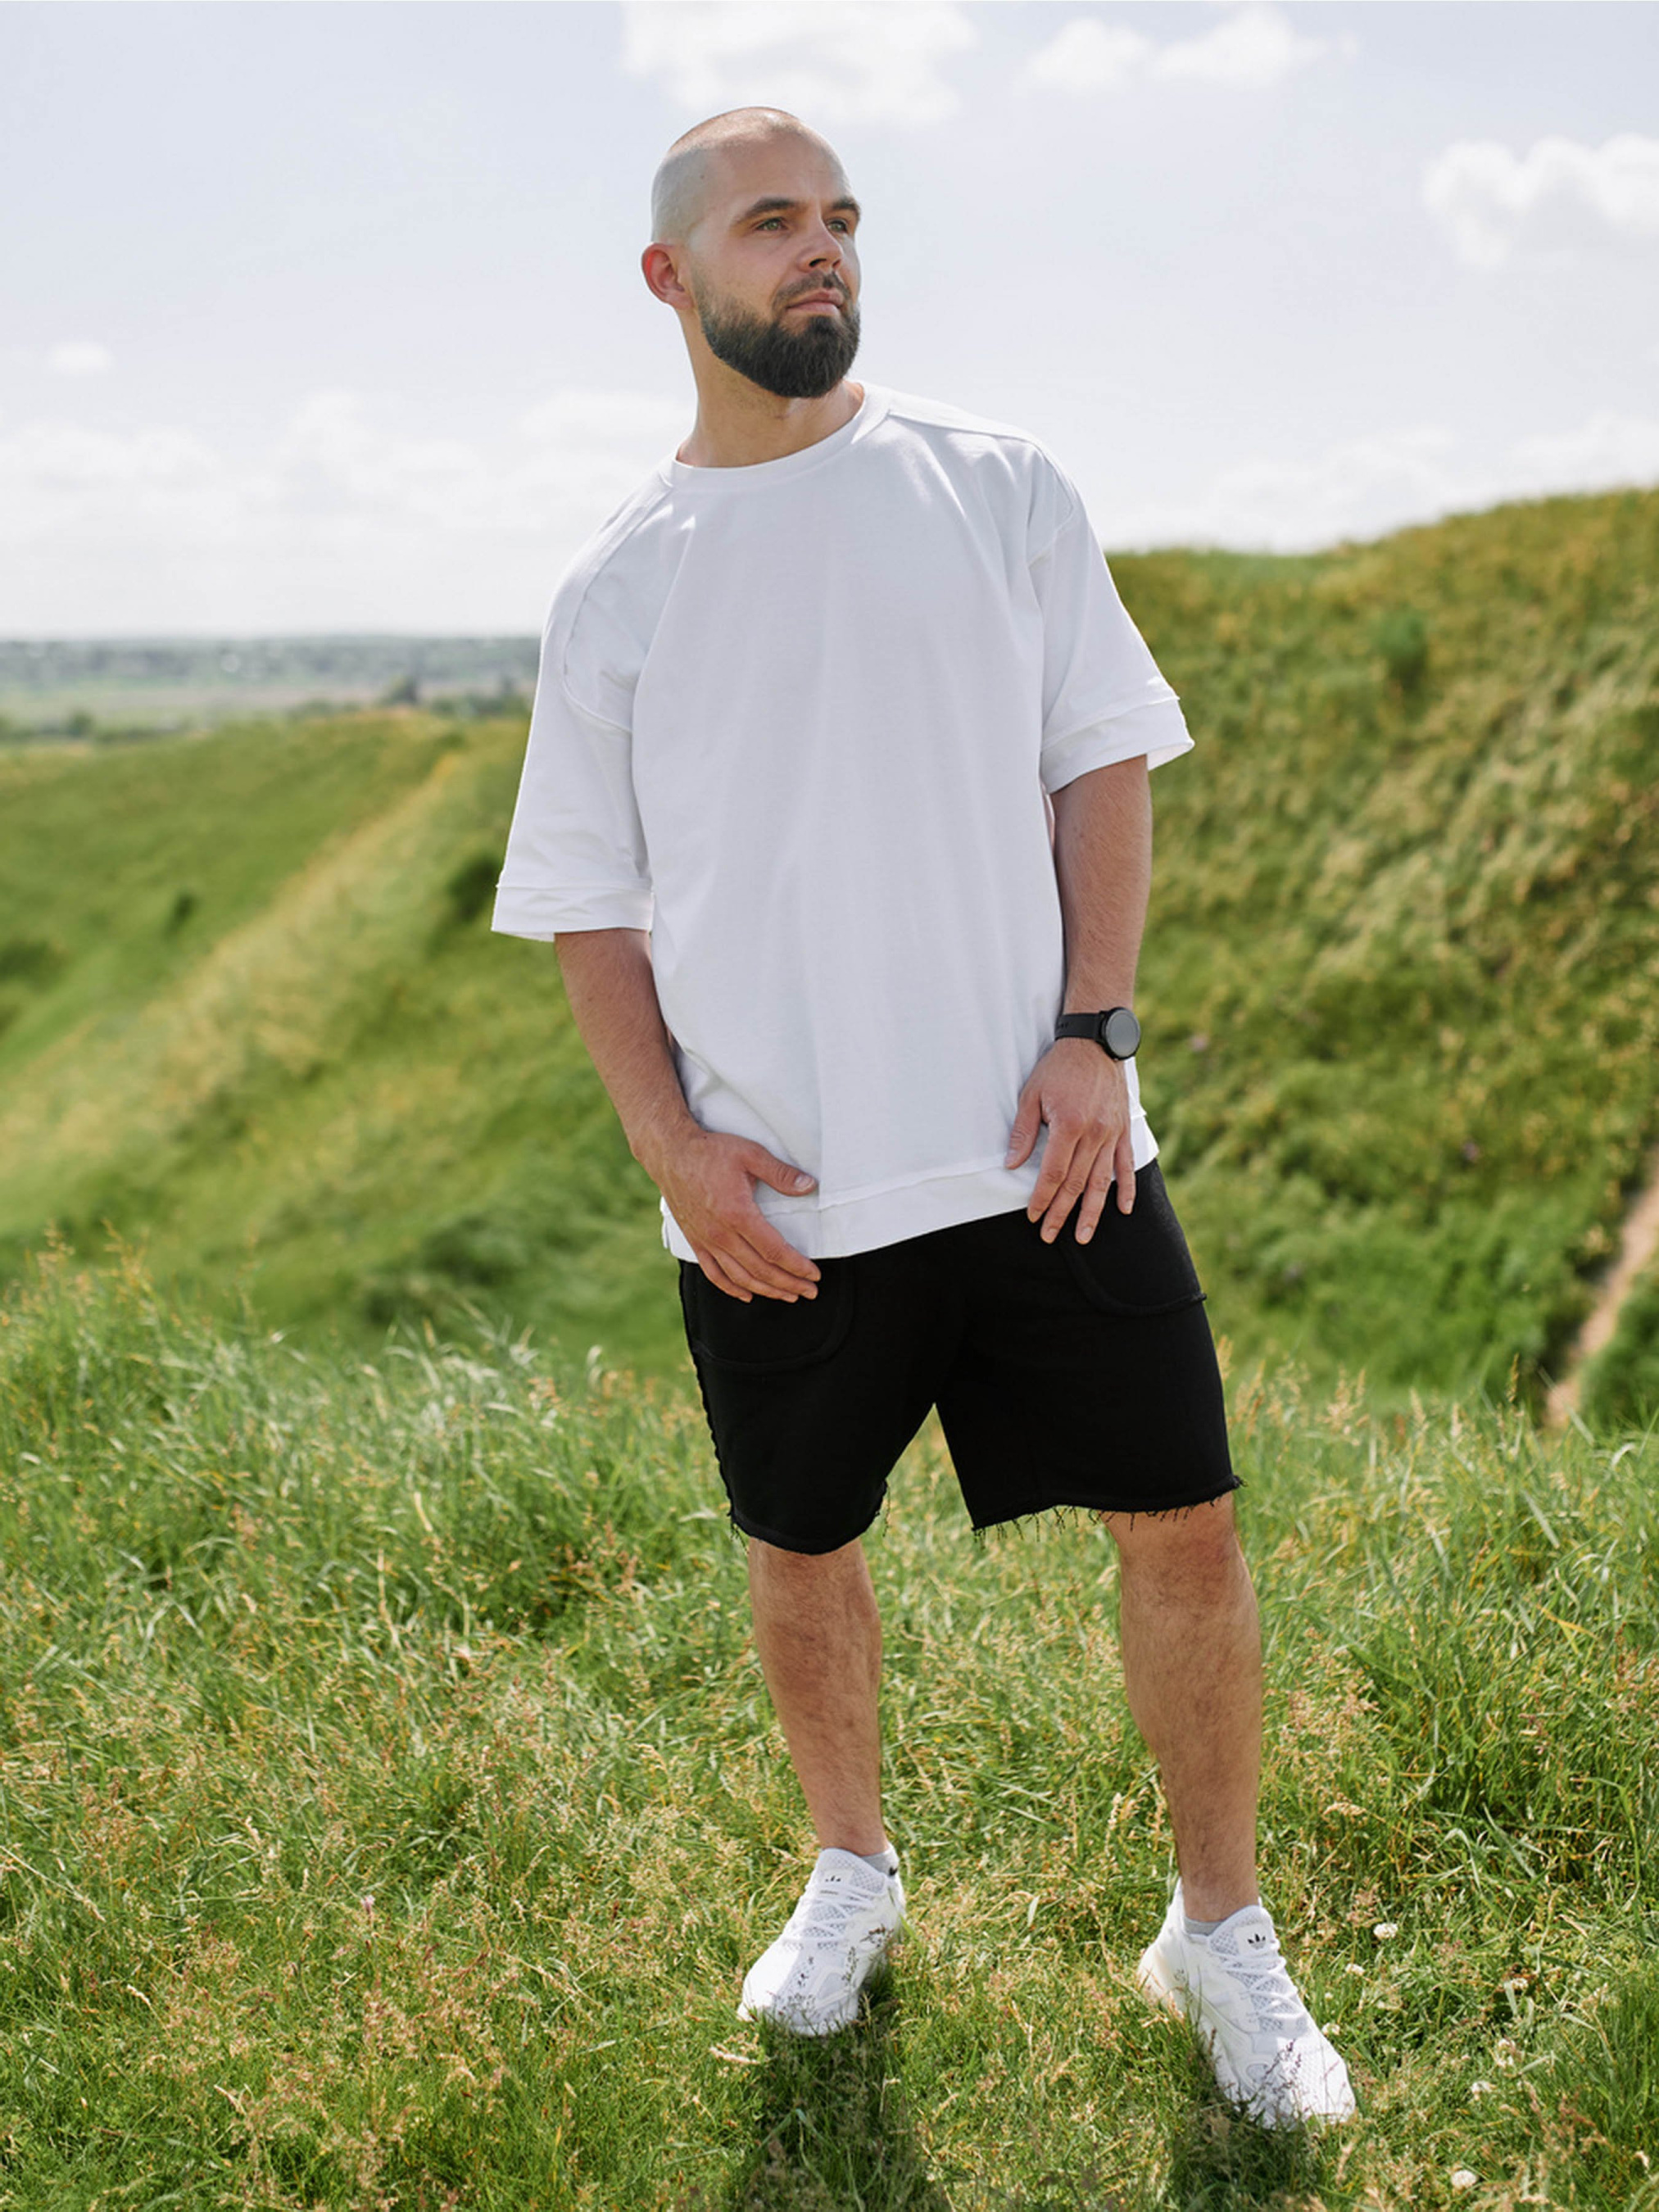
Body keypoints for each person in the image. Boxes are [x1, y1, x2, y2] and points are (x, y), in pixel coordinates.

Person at [492, 105, 1355, 2129]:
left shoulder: (994, 483)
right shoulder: (615, 588)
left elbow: (1099, 760)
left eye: (840, 218)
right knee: (799, 1548)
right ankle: (850, 1874)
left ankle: (1218, 1930)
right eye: (769, 221)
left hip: (1045, 1150)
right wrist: (671, 1151)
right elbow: (593, 910)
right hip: (777, 1192)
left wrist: (1091, 1031)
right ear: (668, 277)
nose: (821, 248)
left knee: (1184, 1527)